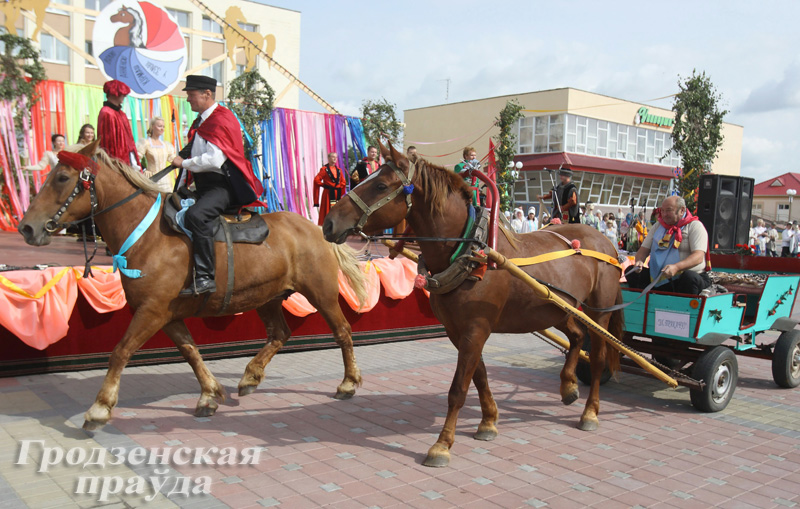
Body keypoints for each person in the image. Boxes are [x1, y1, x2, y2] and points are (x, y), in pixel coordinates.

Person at [171, 75, 264, 296]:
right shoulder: (202, 121)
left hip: (223, 187)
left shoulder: (221, 119)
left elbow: (214, 160)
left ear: (207, 94)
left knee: (196, 215)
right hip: (204, 185)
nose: (188, 100)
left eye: (191, 95)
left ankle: (205, 277)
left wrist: (182, 163)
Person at [626, 196, 711, 295]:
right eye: (662, 211)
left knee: (689, 277)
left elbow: (698, 257)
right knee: (632, 271)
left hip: (684, 278)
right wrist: (639, 262)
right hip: (660, 276)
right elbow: (643, 250)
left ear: (682, 210)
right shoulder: (658, 226)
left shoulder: (695, 226)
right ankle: (642, 306)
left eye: (668, 210)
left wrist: (676, 267)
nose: (664, 214)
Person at [97, 80, 140, 169]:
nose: (124, 96)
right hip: (117, 162)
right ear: (115, 93)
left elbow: (130, 141)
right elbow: (107, 144)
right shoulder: (106, 112)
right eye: (122, 93)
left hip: (129, 158)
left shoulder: (121, 114)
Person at [136, 116, 176, 193]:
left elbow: (173, 159)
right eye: (159, 126)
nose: (162, 129)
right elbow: (136, 158)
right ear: (152, 127)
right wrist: (143, 170)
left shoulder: (166, 145)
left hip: (165, 180)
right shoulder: (145, 143)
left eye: (163, 126)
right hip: (151, 178)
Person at [313, 152, 346, 225]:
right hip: (328, 193)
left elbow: (343, 182)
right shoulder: (324, 169)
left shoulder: (339, 170)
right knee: (327, 210)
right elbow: (316, 179)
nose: (334, 158)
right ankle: (326, 224)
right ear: (328, 158)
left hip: (337, 193)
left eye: (336, 157)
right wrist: (323, 185)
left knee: (337, 209)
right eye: (333, 157)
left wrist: (340, 187)